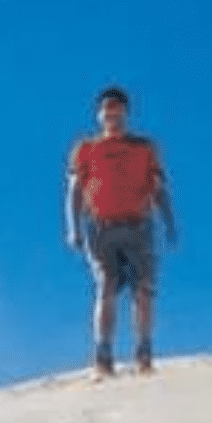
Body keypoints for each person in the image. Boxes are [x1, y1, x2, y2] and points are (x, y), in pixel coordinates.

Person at [65, 85, 178, 377]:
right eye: (106, 108)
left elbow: (158, 189)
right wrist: (73, 228)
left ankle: (144, 354)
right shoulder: (86, 148)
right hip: (100, 228)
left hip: (139, 226)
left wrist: (169, 222)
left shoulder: (145, 147)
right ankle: (103, 357)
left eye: (117, 107)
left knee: (144, 290)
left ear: (126, 113)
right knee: (106, 288)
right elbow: (75, 189)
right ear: (99, 114)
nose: (111, 112)